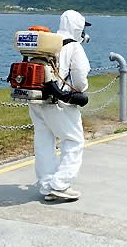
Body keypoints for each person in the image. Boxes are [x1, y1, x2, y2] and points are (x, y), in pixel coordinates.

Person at [28, 10, 91, 201]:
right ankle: (61, 184)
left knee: (43, 141)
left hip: (36, 99)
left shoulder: (46, 42)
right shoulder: (73, 47)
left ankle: (47, 185)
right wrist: (79, 90)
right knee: (73, 140)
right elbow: (80, 80)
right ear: (78, 27)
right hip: (58, 101)